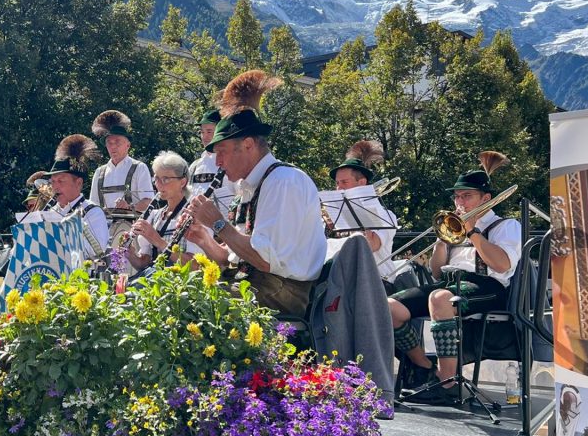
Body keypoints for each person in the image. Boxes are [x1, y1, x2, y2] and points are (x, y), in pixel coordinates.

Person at [184, 70, 327, 316]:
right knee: (180, 292)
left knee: (193, 306)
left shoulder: (283, 181)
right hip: (256, 283)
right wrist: (204, 239)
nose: (217, 162)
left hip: (285, 292)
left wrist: (217, 223)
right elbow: (235, 257)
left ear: (248, 145)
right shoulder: (247, 187)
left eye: (222, 151)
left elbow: (263, 260)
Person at [390, 151, 521, 404]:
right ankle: (425, 367)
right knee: (388, 307)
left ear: (486, 199)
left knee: (440, 298)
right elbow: (437, 272)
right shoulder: (455, 227)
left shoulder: (506, 226)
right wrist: (442, 242)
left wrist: (472, 232)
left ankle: (447, 383)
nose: (460, 202)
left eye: (467, 196)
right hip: (450, 284)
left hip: (489, 286)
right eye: (457, 196)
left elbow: (503, 265)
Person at [327, 140, 401, 293]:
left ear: (362, 183)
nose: (338, 188)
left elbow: (371, 245)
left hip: (378, 283)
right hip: (346, 280)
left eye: (344, 182)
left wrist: (361, 219)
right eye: (337, 183)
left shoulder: (386, 215)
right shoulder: (339, 210)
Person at [127, 151, 203, 270]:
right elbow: (143, 265)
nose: (159, 185)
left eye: (166, 179)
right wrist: (129, 253)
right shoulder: (154, 215)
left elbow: (195, 266)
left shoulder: (194, 215)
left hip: (179, 285)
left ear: (183, 182)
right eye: (156, 178)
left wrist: (158, 241)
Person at [48, 134, 108, 260]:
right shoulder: (51, 211)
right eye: (53, 181)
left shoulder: (92, 212)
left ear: (78, 183)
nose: (55, 187)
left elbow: (96, 250)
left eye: (61, 181)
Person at [90, 110, 154, 213]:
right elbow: (93, 205)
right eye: (109, 142)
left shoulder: (139, 168)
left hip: (132, 226)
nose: (113, 146)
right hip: (103, 227)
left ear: (128, 145)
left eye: (117, 142)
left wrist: (130, 207)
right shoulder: (99, 172)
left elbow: (149, 201)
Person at [188, 109, 235, 216]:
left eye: (209, 132)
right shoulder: (195, 166)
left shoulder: (230, 163)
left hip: (221, 226)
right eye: (202, 132)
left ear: (220, 131)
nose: (204, 137)